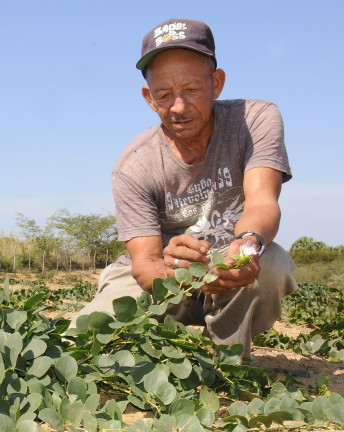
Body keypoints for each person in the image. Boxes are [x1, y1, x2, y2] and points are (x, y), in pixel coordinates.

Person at [69, 19, 298, 357]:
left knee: (273, 264)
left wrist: (248, 246)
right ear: (149, 98)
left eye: (191, 89)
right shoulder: (134, 165)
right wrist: (172, 269)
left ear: (216, 83)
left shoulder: (255, 120)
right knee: (80, 342)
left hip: (228, 273)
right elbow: (145, 263)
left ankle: (225, 357)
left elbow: (262, 203)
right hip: (160, 283)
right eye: (164, 94)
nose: (178, 107)